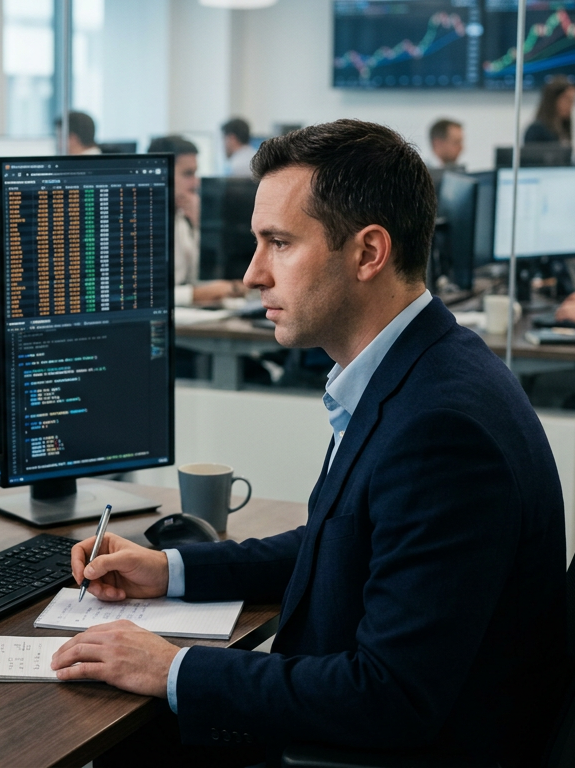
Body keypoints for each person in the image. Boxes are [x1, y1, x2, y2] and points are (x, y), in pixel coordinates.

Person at [52, 119, 568, 766]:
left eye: (279, 243)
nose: (252, 275)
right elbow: (342, 541)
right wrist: (173, 570)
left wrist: (172, 667)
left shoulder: (441, 429)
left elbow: (390, 696)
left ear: (368, 253)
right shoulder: (422, 366)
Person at [147, 135, 244, 305]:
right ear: (159, 174)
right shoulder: (141, 225)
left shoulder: (180, 217)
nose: (196, 183)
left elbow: (193, 276)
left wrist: (197, 226)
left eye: (195, 173)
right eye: (188, 174)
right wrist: (198, 294)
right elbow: (147, 295)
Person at [524, 75, 575, 145]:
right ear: (553, 100)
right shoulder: (536, 131)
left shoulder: (567, 128)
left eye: (572, 101)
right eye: (568, 100)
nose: (571, 105)